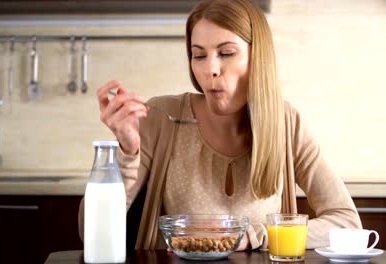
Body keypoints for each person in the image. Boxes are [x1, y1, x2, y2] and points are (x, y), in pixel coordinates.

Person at [79, 0, 362, 251]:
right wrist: (128, 153)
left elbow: (347, 222)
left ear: (257, 58)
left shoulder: (286, 123)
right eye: (199, 55)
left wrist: (259, 236)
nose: (209, 69)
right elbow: (89, 232)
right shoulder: (160, 116)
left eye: (226, 53)